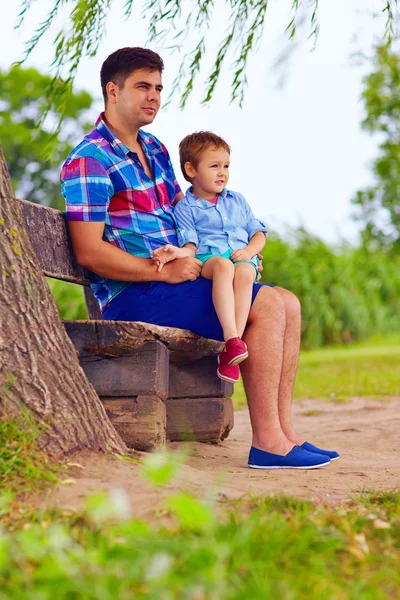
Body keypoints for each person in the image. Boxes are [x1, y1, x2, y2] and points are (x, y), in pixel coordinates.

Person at [61, 46, 339, 469]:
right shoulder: (88, 160)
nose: (153, 95)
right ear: (112, 91)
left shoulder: (154, 149)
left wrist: (232, 254)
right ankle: (266, 444)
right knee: (264, 305)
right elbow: (89, 250)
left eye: (157, 87)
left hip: (180, 277)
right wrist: (165, 274)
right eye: (142, 86)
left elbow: (185, 216)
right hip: (132, 294)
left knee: (288, 302)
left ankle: (284, 432)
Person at [151, 131, 267, 384]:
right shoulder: (186, 207)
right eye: (214, 166)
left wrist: (248, 252)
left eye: (226, 166)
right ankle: (232, 339)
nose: (222, 172)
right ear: (191, 170)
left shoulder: (237, 201)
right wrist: (177, 253)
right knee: (225, 266)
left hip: (241, 258)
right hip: (209, 260)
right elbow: (190, 246)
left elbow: (258, 234)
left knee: (246, 271)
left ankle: (231, 349)